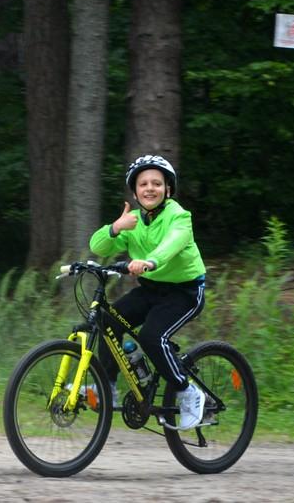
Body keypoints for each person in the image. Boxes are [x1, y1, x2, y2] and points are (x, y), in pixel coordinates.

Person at [89, 154, 207, 430]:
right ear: (135, 192)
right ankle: (107, 387)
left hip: (185, 292)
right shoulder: (133, 221)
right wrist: (115, 228)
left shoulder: (179, 216)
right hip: (152, 289)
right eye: (143, 184)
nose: (150, 188)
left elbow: (172, 243)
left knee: (151, 337)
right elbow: (97, 247)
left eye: (157, 183)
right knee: (108, 320)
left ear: (168, 189)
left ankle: (188, 391)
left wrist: (150, 262)